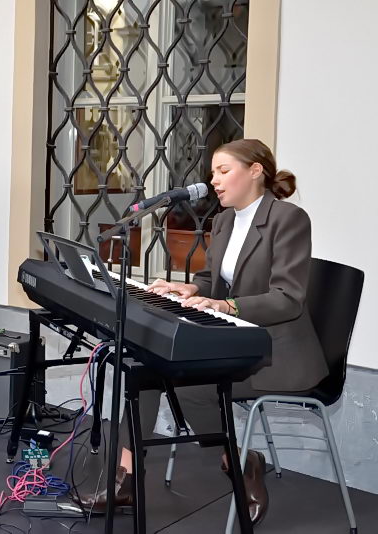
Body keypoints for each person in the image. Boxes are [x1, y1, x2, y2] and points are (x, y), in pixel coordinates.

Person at [81, 139, 327, 526]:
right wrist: (191, 288)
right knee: (143, 367)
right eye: (213, 172)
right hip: (236, 340)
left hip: (277, 353)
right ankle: (126, 478)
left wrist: (227, 306)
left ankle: (240, 463)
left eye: (223, 171)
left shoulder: (288, 219)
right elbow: (213, 279)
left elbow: (287, 299)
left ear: (256, 171)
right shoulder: (224, 220)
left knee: (188, 386)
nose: (214, 180)